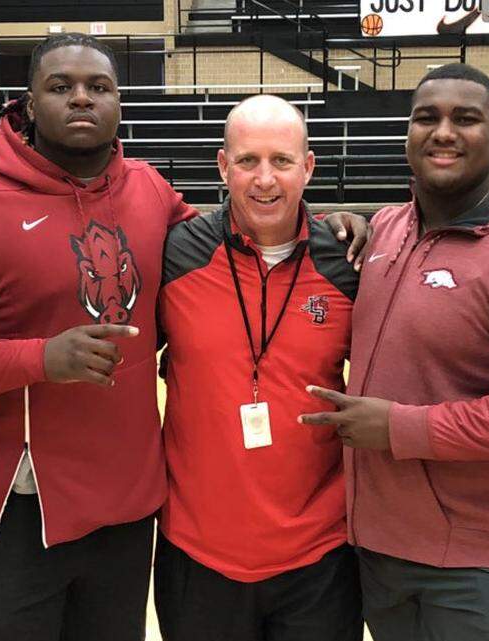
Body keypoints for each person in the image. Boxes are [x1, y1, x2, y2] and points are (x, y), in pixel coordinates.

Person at [0, 34, 367, 640]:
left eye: (99, 87)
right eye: (61, 86)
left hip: (126, 510)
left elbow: (247, 236)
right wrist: (40, 357)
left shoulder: (148, 191)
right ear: (28, 104)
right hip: (12, 508)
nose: (81, 99)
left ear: (120, 102)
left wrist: (335, 228)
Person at [300, 63, 489, 641]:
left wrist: (401, 428)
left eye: (466, 119)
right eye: (426, 118)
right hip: (381, 550)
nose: (443, 132)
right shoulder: (384, 230)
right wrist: (341, 221)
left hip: (485, 564)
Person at [155, 95, 362, 641]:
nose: (264, 179)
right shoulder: (177, 252)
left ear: (309, 166)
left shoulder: (349, 263)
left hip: (319, 555)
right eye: (248, 161)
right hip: (197, 553)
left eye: (282, 161)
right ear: (223, 166)